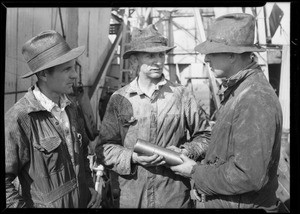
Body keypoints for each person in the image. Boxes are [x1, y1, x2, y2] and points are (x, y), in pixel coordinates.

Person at [170, 13, 283, 212]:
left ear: (231, 55)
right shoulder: (239, 91)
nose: (206, 59)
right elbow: (225, 146)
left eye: (212, 53)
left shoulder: (254, 98)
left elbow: (247, 176)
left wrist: (194, 171)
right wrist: (190, 151)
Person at [95, 24, 211, 208]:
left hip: (173, 197)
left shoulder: (181, 95)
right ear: (134, 61)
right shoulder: (119, 99)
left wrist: (185, 151)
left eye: (161, 55)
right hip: (132, 198)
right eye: (150, 55)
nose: (158, 61)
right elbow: (103, 149)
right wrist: (132, 157)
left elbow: (206, 136)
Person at [5, 30, 100, 208]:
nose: (74, 75)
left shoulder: (72, 108)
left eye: (74, 67)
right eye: (66, 69)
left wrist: (88, 187)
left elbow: (83, 156)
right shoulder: (20, 118)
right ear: (43, 75)